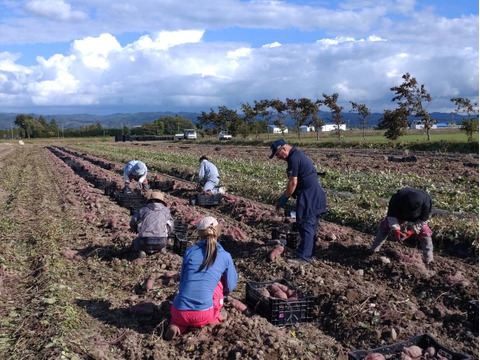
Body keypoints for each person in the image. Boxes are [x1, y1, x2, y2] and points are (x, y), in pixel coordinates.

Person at [165, 216, 238, 340]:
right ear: (217, 231)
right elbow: (231, 285)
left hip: (178, 311)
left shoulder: (190, 252)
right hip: (203, 314)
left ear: (199, 234)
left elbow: (182, 281)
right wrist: (223, 295)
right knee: (217, 283)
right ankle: (216, 317)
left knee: (182, 313)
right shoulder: (225, 256)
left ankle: (176, 326)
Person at [269, 139, 327, 265]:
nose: (279, 158)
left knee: (305, 225)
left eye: (278, 154)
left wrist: (284, 198)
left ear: (283, 149)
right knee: (310, 226)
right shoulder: (297, 155)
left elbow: (293, 182)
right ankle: (308, 253)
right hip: (314, 194)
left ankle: (304, 257)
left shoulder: (294, 158)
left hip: (309, 196)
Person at [370, 187, 434, 265]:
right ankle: (373, 250)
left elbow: (423, 220)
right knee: (385, 225)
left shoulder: (426, 202)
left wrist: (411, 231)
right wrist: (396, 230)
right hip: (400, 213)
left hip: (418, 217)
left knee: (425, 232)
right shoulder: (397, 198)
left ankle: (429, 260)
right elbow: (391, 216)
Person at [130, 191, 174, 257]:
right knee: (163, 241)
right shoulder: (166, 211)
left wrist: (134, 228)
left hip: (144, 242)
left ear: (151, 200)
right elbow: (171, 224)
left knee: (135, 242)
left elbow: (134, 220)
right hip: (161, 241)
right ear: (161, 201)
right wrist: (168, 233)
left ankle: (142, 250)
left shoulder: (143, 210)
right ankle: (161, 248)